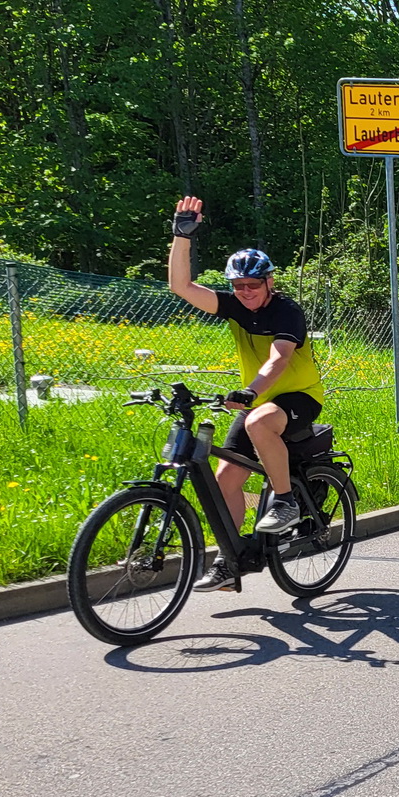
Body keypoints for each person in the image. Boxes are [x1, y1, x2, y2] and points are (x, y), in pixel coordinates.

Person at [165, 195, 325, 591]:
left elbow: (278, 360)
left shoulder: (287, 312)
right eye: (238, 285)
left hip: (298, 396)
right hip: (258, 399)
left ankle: (285, 501)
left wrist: (251, 391)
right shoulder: (236, 306)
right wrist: (181, 236)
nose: (245, 291)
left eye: (253, 284)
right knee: (226, 480)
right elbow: (180, 286)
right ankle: (229, 561)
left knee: (257, 420)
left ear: (270, 281)